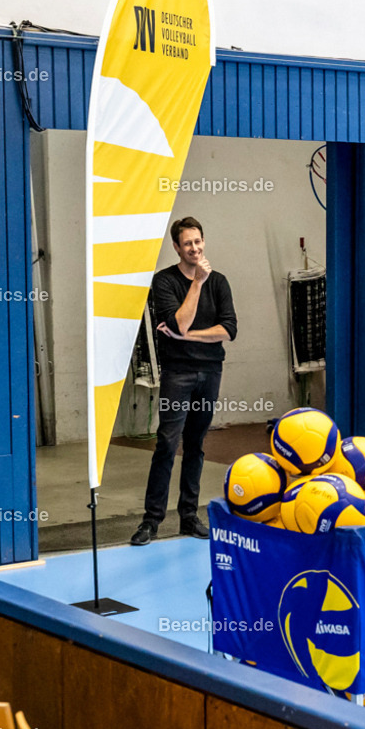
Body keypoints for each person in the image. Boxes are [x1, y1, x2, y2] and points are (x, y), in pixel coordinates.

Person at [131, 217, 237, 545]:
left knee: (196, 445)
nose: (194, 248)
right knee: (166, 443)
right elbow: (178, 321)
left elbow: (228, 329)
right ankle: (151, 520)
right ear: (177, 247)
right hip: (178, 373)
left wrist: (187, 335)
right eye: (187, 243)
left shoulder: (219, 282)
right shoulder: (165, 282)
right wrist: (196, 284)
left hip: (210, 372)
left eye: (198, 241)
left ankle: (188, 517)